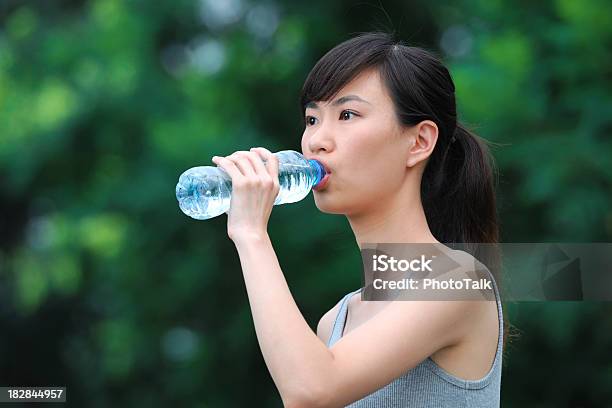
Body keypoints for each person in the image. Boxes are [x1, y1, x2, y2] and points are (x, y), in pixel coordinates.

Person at [211, 31, 505, 407]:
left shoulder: (460, 281)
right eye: (312, 118)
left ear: (419, 142)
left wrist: (252, 235)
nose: (316, 140)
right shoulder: (335, 323)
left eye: (347, 114)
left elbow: (311, 390)